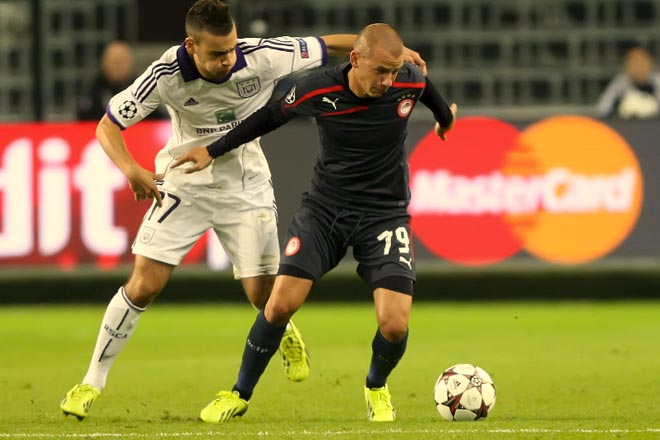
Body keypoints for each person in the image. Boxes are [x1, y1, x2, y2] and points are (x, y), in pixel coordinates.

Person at [59, 0, 427, 421]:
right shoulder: (164, 74)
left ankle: (282, 329)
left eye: (232, 48)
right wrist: (131, 169)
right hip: (186, 182)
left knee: (262, 295)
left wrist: (394, 52)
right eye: (218, 53)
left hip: (246, 185)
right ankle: (91, 382)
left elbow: (330, 45)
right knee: (143, 284)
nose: (229, 59)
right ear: (192, 46)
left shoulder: (263, 55)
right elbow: (107, 125)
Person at [172, 23, 457, 423]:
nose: (387, 81)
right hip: (325, 211)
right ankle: (238, 393)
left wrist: (445, 120)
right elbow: (268, 118)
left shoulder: (407, 80)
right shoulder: (317, 89)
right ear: (355, 59)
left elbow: (430, 94)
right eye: (380, 71)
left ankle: (376, 386)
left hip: (384, 213)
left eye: (393, 72)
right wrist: (213, 150)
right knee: (280, 304)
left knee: (394, 325)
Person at [596, 44, 660, 119]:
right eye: (634, 62)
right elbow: (602, 109)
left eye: (642, 62)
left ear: (651, 63)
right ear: (626, 65)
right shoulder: (620, 83)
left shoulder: (658, 82)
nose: (638, 67)